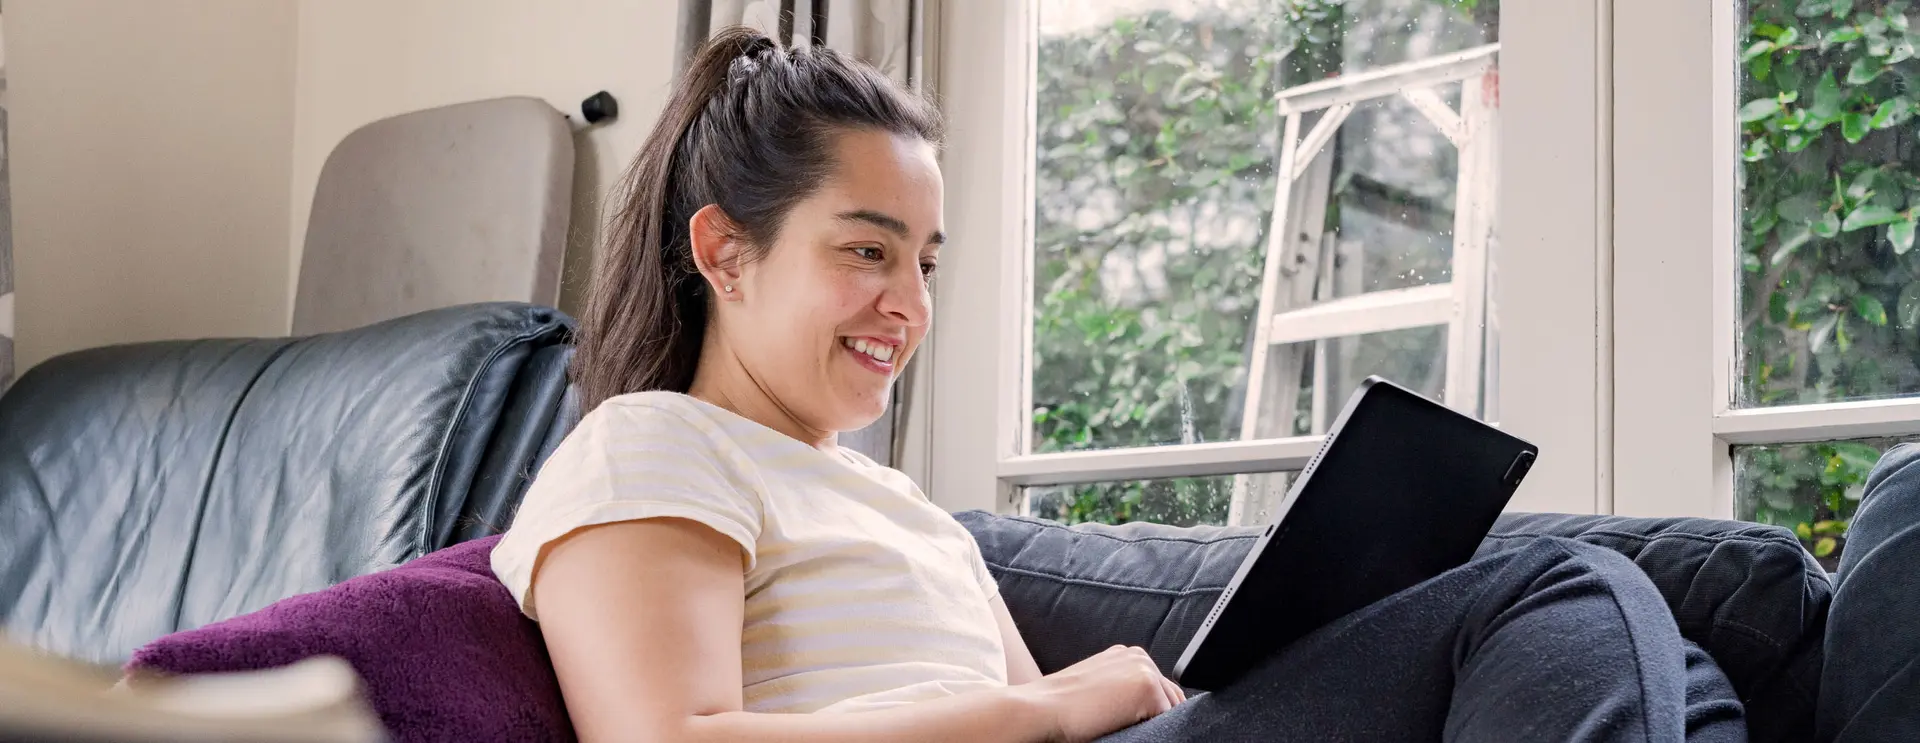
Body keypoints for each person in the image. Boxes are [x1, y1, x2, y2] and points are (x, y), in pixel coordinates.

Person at [491, 27, 1746, 742]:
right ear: (725, 250)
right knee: (1562, 588)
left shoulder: (899, 503)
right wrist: (1046, 709)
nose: (909, 306)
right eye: (865, 250)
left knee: (1684, 666)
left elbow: (1025, 696)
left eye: (925, 262)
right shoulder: (651, 444)